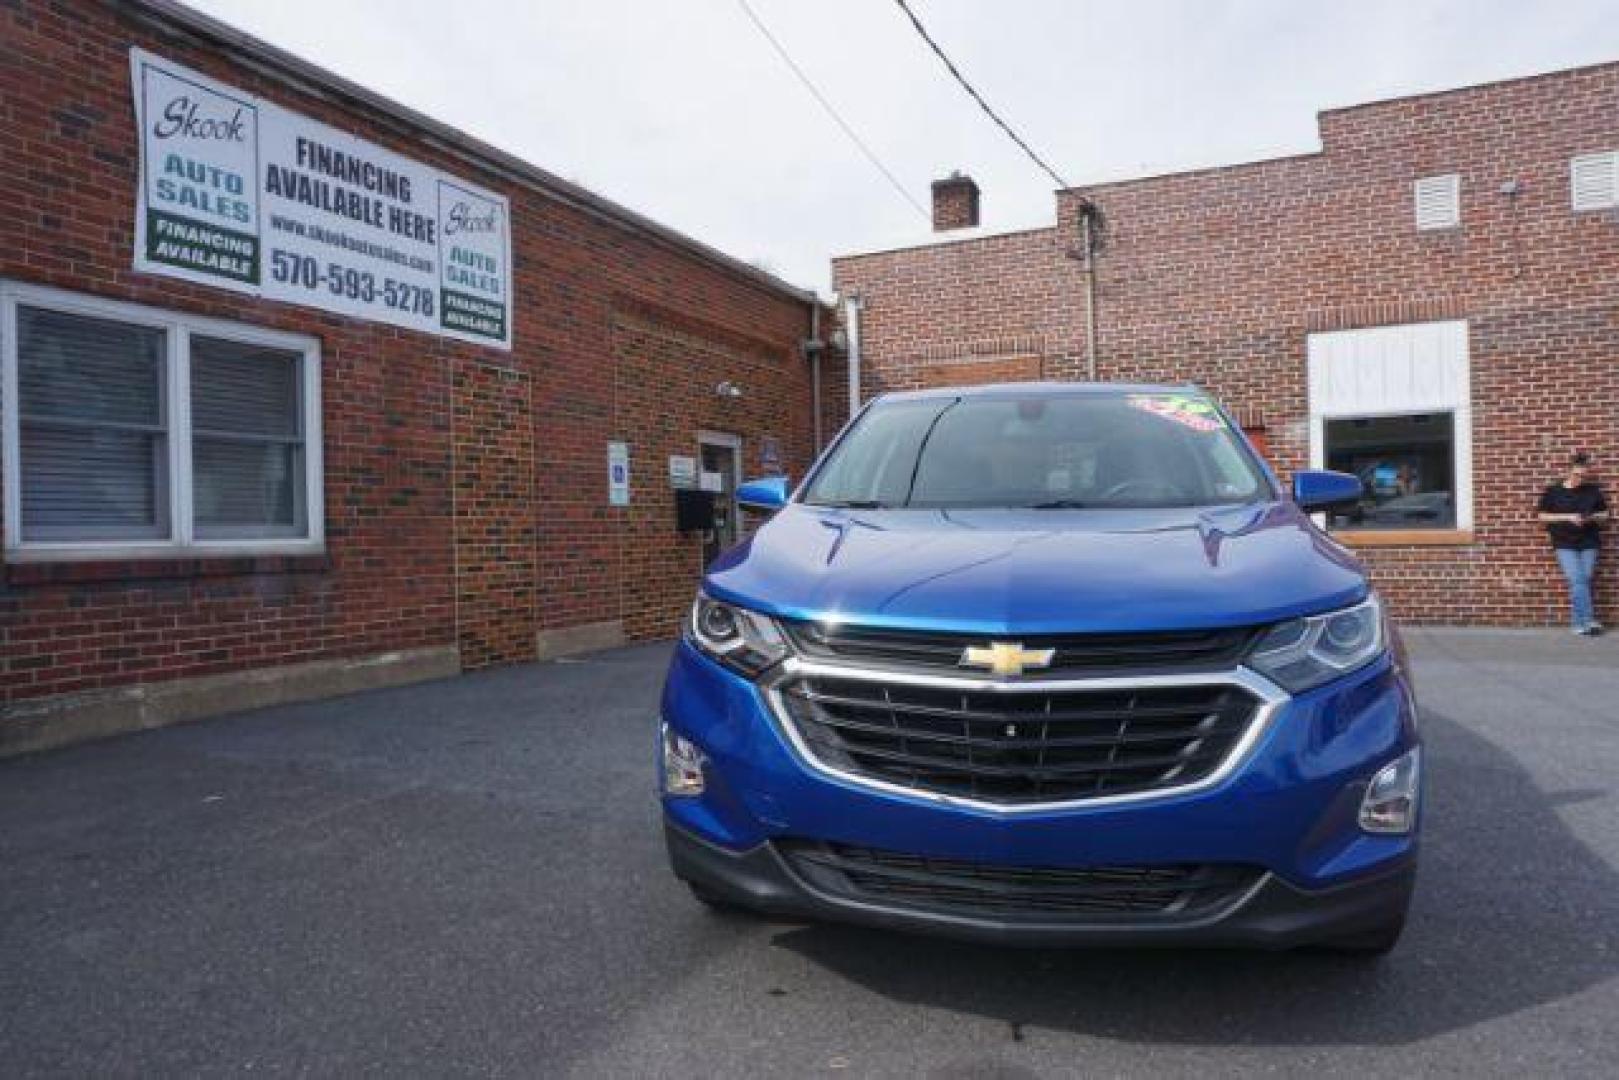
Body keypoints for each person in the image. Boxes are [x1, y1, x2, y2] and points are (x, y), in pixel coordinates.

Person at [1537, 452, 1609, 635]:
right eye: (1577, 475)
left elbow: (1605, 515)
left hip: (1589, 541)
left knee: (1583, 579)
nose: (1580, 479)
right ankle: (1589, 620)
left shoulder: (1593, 491)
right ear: (1568, 471)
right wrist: (1568, 517)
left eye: (1584, 476)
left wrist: (1590, 517)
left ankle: (1577, 624)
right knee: (1576, 579)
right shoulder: (1554, 491)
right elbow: (1542, 516)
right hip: (1564, 543)